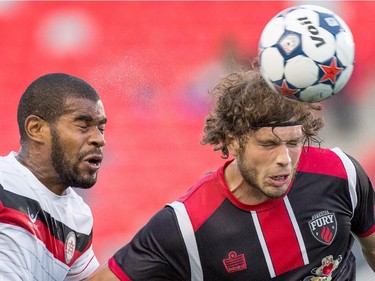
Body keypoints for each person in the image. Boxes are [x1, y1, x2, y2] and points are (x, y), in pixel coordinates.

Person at [88, 68, 374, 281]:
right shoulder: (187, 224)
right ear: (233, 140)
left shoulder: (341, 172)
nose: (284, 159)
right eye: (269, 144)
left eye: (293, 143)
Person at [0, 73, 107, 280]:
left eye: (101, 128)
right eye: (83, 126)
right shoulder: (3, 182)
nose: (99, 139)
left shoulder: (79, 217)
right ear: (36, 129)